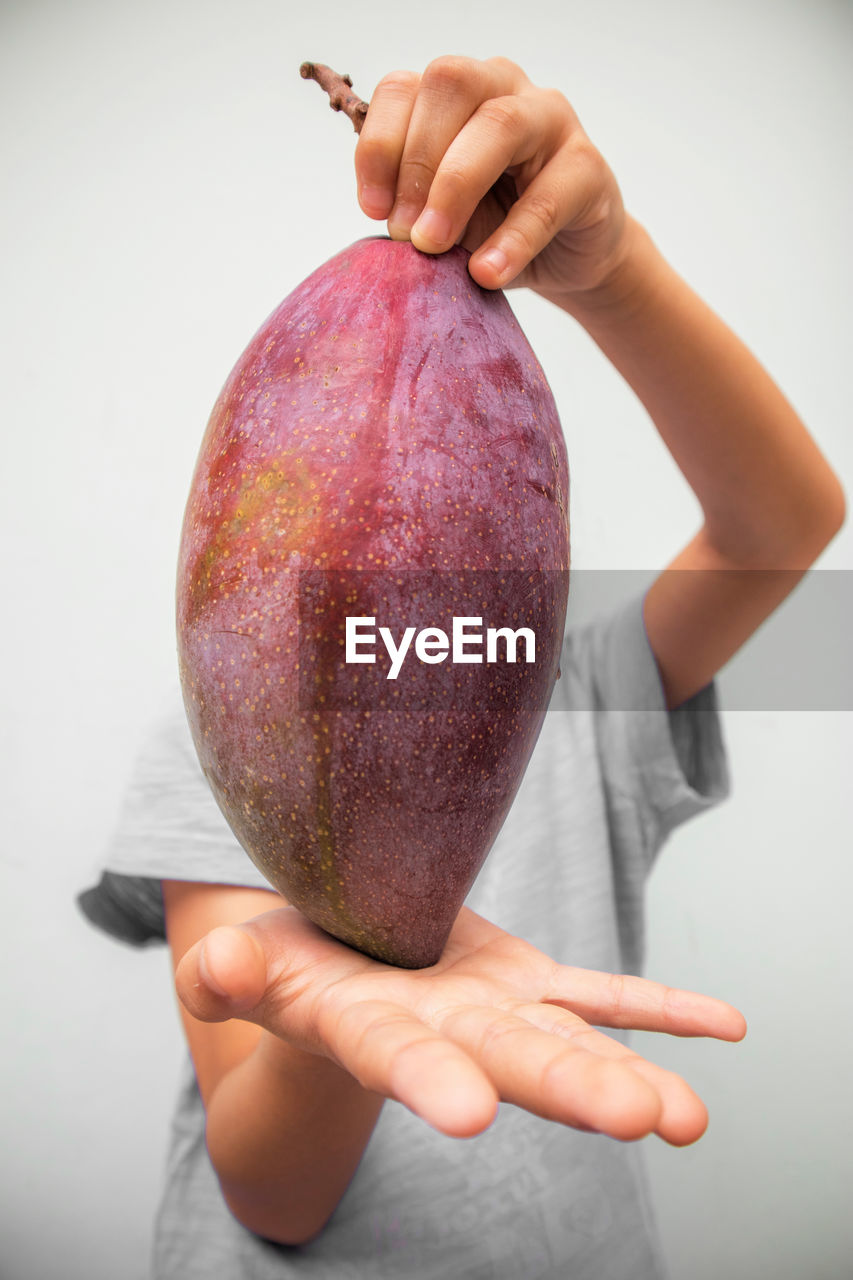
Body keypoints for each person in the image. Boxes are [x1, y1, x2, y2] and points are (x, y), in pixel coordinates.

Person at [78, 55, 845, 1280]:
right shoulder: (220, 753)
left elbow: (785, 527)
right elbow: (271, 1191)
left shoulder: (577, 699)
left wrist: (617, 275)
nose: (382, 518)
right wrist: (354, 994)